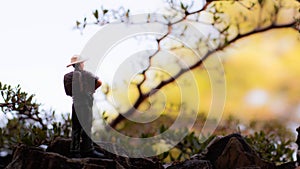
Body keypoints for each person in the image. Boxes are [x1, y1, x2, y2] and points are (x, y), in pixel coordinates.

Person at [63, 55, 104, 158]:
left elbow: (68, 92)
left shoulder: (67, 76)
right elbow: (99, 82)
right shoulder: (87, 74)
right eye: (82, 62)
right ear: (80, 64)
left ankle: (74, 151)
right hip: (85, 103)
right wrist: (91, 90)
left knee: (76, 128)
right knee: (86, 127)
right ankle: (88, 150)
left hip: (75, 103)